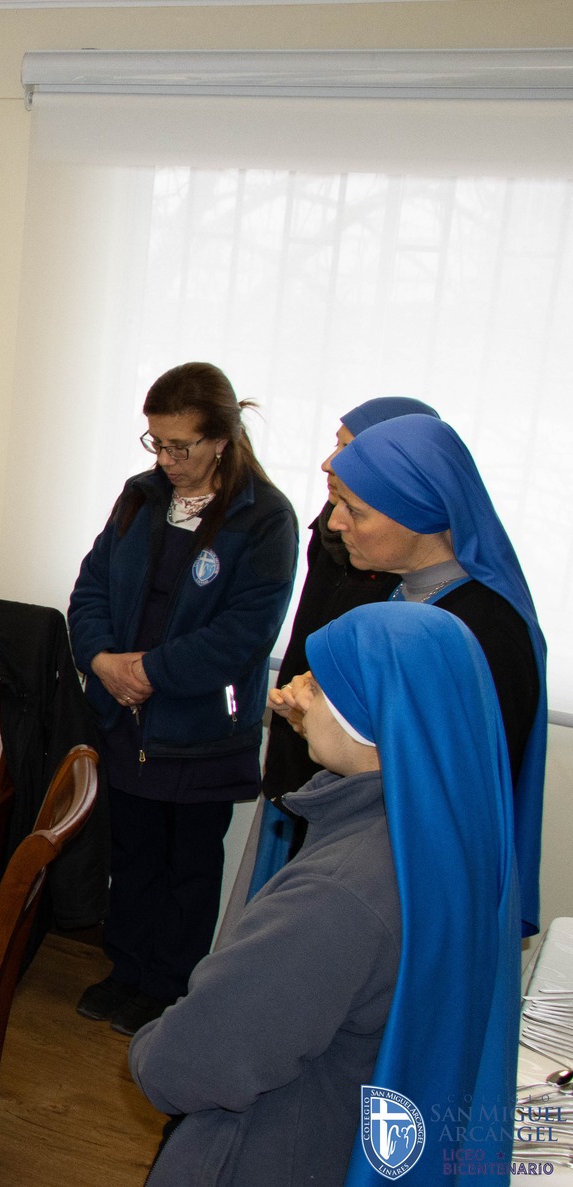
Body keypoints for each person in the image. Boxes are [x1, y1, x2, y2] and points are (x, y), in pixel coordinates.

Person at [132, 601, 518, 1186]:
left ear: (374, 715)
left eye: (319, 682)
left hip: (276, 1152)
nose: (299, 694)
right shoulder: (449, 832)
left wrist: (149, 1045)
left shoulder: (340, 893)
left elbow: (184, 1066)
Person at [67, 362, 296, 1035]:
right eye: (155, 443)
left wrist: (151, 672)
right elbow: (91, 590)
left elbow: (244, 634)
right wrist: (105, 661)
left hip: (200, 729)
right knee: (133, 853)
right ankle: (126, 970)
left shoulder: (264, 518)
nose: (166, 459)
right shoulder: (139, 496)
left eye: (181, 446)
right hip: (124, 717)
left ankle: (170, 990)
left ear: (221, 438)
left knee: (189, 867)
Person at [321, 412, 546, 936]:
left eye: (353, 510)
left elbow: (462, 785)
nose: (334, 523)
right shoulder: (399, 591)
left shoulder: (487, 629)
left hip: (420, 891)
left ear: (417, 517)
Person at [241, 398, 439, 900]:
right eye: (336, 443)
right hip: (307, 732)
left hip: (354, 768)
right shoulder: (331, 534)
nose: (330, 461)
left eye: (348, 448)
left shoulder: (401, 569)